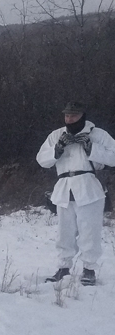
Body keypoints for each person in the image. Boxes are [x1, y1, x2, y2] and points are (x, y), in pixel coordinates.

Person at [37, 101, 115, 286]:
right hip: (64, 187)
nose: (69, 119)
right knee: (65, 231)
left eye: (73, 115)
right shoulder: (57, 135)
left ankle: (89, 269)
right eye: (67, 116)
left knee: (89, 230)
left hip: (88, 187)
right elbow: (41, 159)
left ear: (82, 116)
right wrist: (57, 150)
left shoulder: (97, 134)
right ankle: (64, 268)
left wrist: (91, 148)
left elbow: (113, 155)